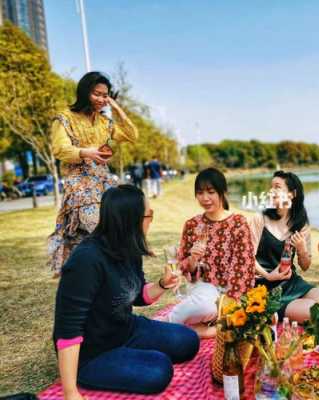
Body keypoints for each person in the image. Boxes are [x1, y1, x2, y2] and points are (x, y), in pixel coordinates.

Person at [53, 185, 199, 399]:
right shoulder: (86, 260)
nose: (151, 220)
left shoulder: (128, 248)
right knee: (159, 370)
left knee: (188, 341)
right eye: (150, 215)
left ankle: (130, 355)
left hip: (126, 329)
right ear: (132, 220)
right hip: (93, 351)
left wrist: (162, 284)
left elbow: (138, 294)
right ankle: (90, 373)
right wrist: (70, 392)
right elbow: (68, 329)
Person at [48, 71, 138, 275]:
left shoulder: (105, 122)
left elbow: (132, 135)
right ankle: (89, 272)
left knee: (113, 225)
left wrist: (116, 107)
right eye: (97, 94)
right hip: (79, 181)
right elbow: (59, 149)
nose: (101, 100)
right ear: (84, 92)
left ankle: (105, 273)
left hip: (103, 180)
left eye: (105, 95)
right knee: (93, 227)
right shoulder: (64, 118)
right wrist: (84, 152)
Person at [168, 168, 256, 338]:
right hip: (203, 289)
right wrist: (193, 258)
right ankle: (167, 323)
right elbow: (184, 268)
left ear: (223, 192)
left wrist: (231, 301)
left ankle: (200, 328)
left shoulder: (238, 223)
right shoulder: (192, 225)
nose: (205, 198)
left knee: (239, 319)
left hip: (233, 292)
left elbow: (244, 266)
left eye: (211, 192)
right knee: (205, 306)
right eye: (200, 193)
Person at [249, 171, 319, 323]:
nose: (271, 191)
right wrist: (269, 276)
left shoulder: (301, 225)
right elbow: (246, 257)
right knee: (318, 313)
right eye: (271, 187)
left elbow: (305, 266)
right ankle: (278, 309)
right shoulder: (259, 219)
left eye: (277, 187)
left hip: (291, 282)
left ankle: (297, 305)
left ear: (292, 194)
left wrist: (301, 248)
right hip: (264, 287)